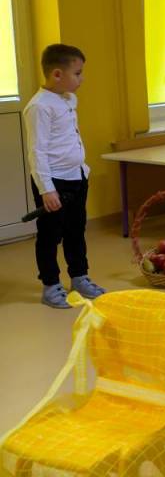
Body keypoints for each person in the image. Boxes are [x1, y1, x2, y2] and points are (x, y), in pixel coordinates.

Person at [23, 44, 105, 309]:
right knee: (50, 235)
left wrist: (81, 170)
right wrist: (47, 189)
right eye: (77, 73)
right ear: (57, 74)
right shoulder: (39, 107)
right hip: (54, 183)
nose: (82, 79)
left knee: (76, 230)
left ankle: (79, 277)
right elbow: (37, 151)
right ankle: (50, 285)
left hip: (77, 177)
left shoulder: (69, 99)